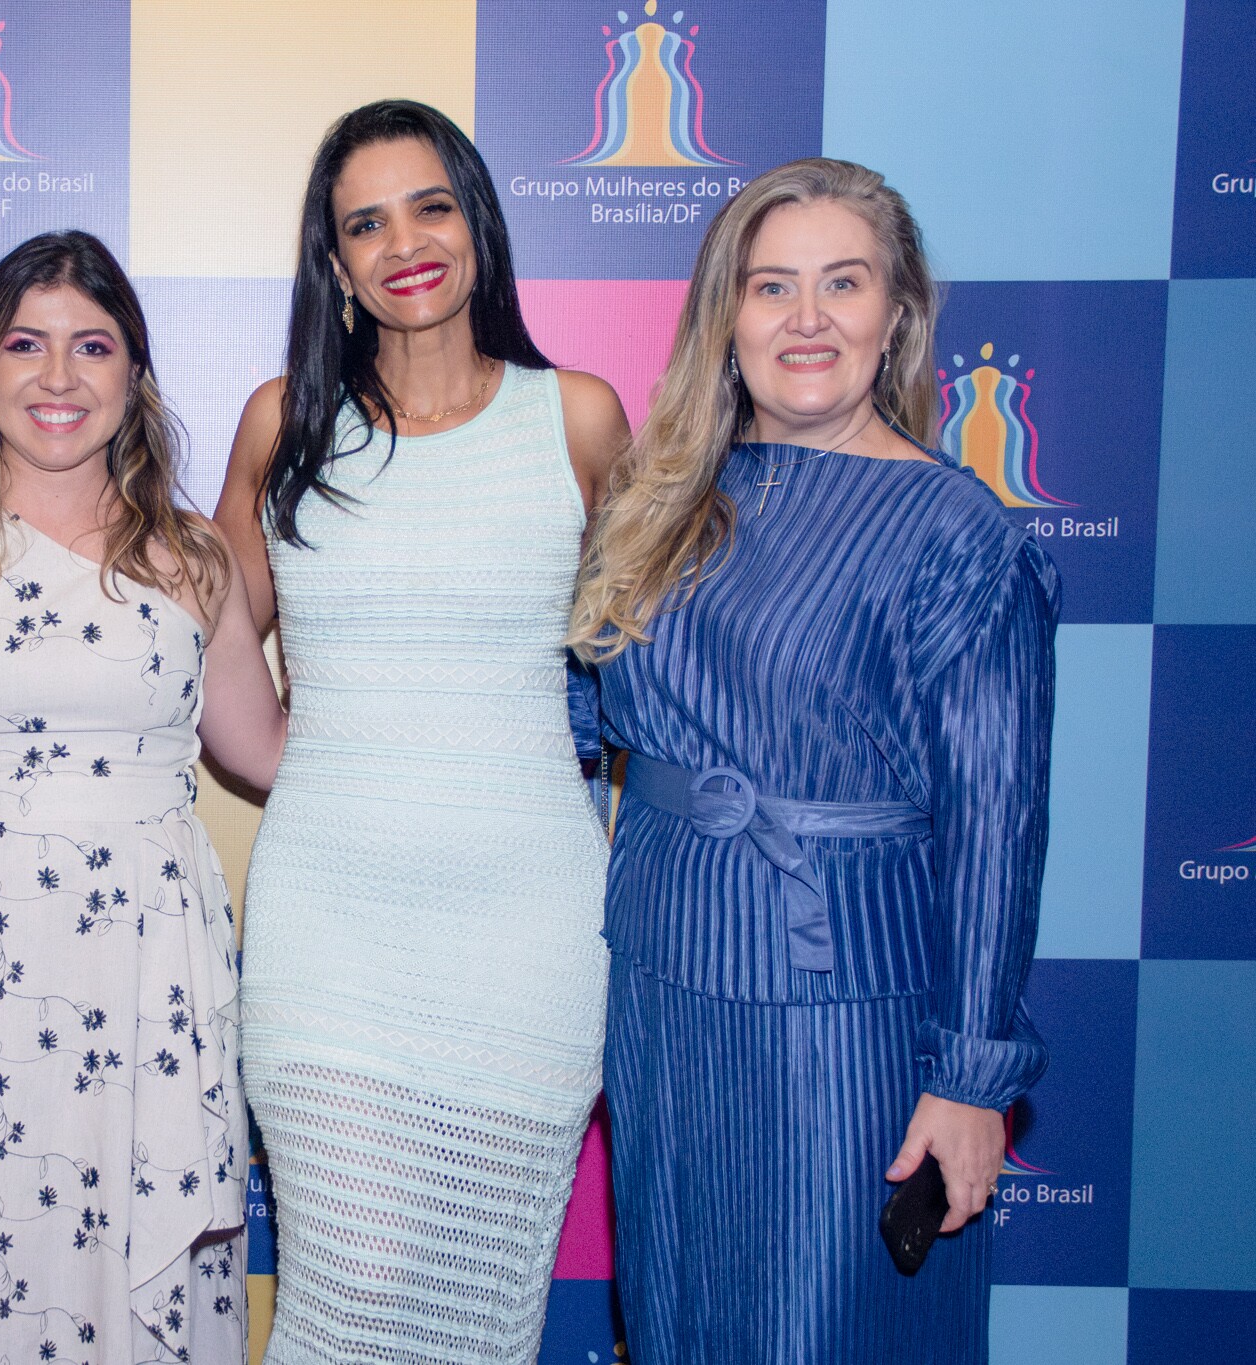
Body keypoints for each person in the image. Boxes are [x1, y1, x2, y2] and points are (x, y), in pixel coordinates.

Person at [569, 157, 1056, 1364]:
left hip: (841, 1003)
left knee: (818, 1325)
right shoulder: (660, 500)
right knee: (679, 1316)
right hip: (662, 979)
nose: (803, 318)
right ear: (722, 317)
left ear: (894, 313)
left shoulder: (958, 536)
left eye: (841, 283)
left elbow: (995, 826)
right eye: (768, 285)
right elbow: (576, 719)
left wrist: (970, 1079)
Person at [214, 99, 628, 1363]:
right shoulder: (283, 422)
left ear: (476, 223)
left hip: (527, 931)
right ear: (332, 263)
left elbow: (650, 685)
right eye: (364, 222)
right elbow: (212, 648)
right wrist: (329, 772)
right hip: (330, 929)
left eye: (429, 205)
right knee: (351, 1282)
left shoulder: (578, 419)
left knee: (481, 1312)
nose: (404, 242)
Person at [0, 229, 286, 1364]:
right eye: (25, 345)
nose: (57, 379)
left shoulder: (189, 556)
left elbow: (265, 750)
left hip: (144, 973)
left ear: (132, 376)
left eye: (91, 347)